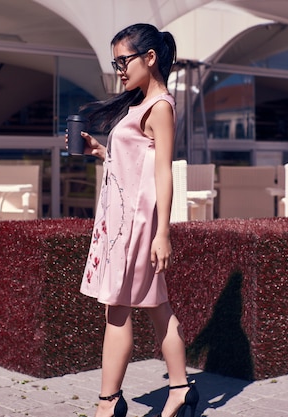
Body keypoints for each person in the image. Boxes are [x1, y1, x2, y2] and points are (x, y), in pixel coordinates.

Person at [72, 23, 199, 417]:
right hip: (124, 222)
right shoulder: (140, 103)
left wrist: (163, 233)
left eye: (123, 61)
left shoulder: (160, 106)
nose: (119, 70)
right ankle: (180, 390)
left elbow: (164, 172)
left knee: (117, 309)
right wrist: (99, 151)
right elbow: (135, 164)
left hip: (138, 226)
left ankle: (108, 403)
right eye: (115, 63)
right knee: (158, 307)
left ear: (150, 58)